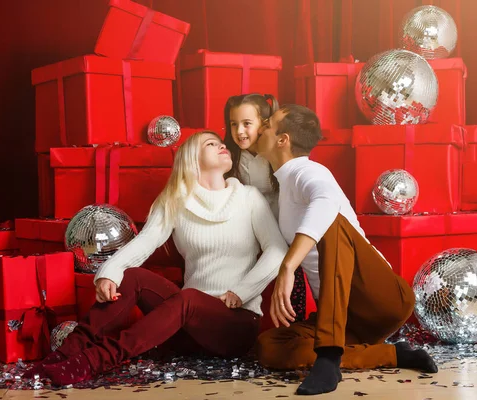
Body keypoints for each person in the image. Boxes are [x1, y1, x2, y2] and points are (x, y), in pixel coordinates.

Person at [26, 131, 289, 386]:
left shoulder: (248, 198)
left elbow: (277, 250)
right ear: (192, 159)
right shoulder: (176, 200)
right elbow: (145, 241)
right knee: (131, 276)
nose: (223, 146)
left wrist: (241, 292)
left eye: (222, 143)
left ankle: (95, 360)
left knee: (188, 298)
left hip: (234, 325)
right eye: (211, 144)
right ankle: (64, 354)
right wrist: (109, 272)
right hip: (186, 329)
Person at [254, 105, 437, 396]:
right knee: (268, 347)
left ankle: (328, 354)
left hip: (381, 300)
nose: (261, 127)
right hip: (346, 320)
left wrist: (288, 267)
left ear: (282, 140)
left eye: (267, 124)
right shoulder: (284, 185)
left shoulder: (308, 171)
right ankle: (392, 355)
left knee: (331, 223)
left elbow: (325, 200)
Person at [224, 93, 307, 323]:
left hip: (282, 227)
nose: (240, 131)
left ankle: (293, 324)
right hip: (247, 230)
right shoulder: (231, 157)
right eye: (234, 124)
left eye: (247, 124)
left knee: (292, 275)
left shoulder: (274, 153)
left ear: (264, 123)